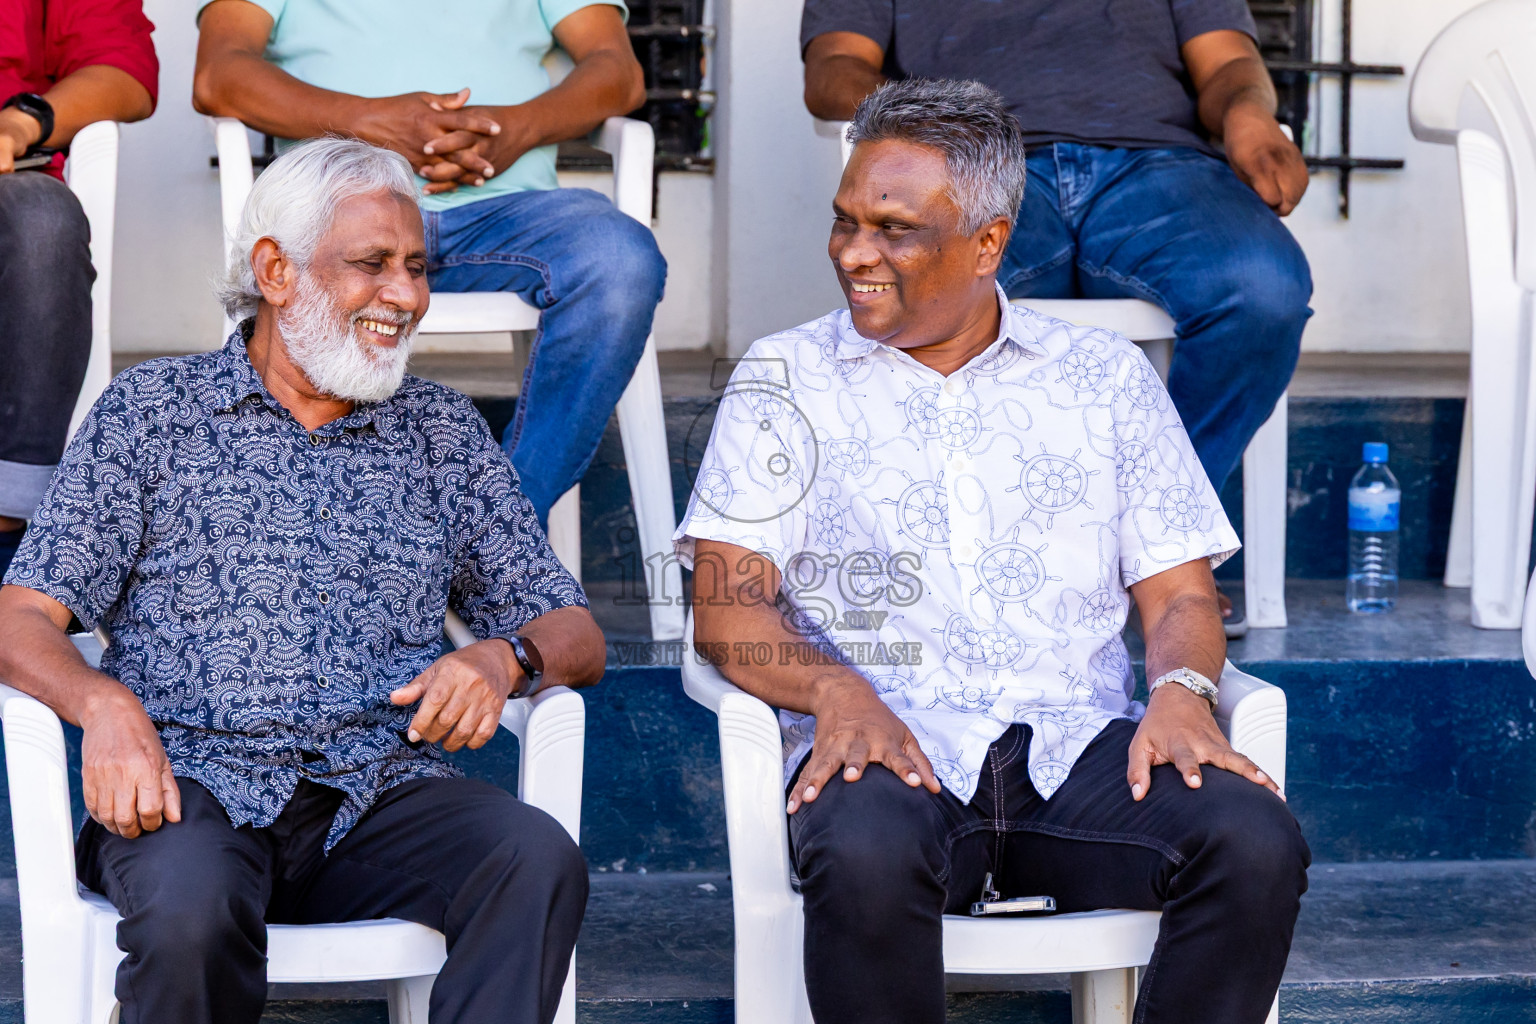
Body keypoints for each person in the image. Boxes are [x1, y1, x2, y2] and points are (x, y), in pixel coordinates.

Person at [678, 80, 1309, 1024]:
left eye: (894, 230)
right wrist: (836, 691)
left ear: (989, 243)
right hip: (884, 753)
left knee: (1254, 841)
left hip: (1078, 752)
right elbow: (727, 610)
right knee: (864, 852)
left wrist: (1181, 695)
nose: (854, 253)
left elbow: (1179, 593)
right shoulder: (784, 377)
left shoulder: (1102, 377)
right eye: (845, 221)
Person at [0, 138, 604, 1024]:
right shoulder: (154, 414)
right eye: (372, 265)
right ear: (275, 271)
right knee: (189, 913)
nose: (405, 295)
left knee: (535, 858)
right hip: (188, 789)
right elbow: (18, 618)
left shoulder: (438, 431)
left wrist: (503, 659)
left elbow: (576, 633)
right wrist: (103, 706)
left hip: (378, 796)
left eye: (415, 268)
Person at [801, 0, 1314, 633]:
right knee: (925, 293)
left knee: (1263, 291)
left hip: (1157, 165)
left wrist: (1247, 112)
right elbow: (833, 67)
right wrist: (928, 133)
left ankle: (1164, 551)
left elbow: (1230, 61)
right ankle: (992, 561)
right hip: (976, 167)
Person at [192, 0, 667, 521]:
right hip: (339, 210)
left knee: (620, 260)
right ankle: (294, 531)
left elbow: (618, 72)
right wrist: (365, 126)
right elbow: (219, 74)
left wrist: (515, 129)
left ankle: (501, 526)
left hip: (505, 211)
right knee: (297, 266)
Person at [0, 0, 158, 577]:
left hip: (7, 175)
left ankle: (10, 527)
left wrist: (22, 122)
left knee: (44, 222)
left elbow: (124, 70)